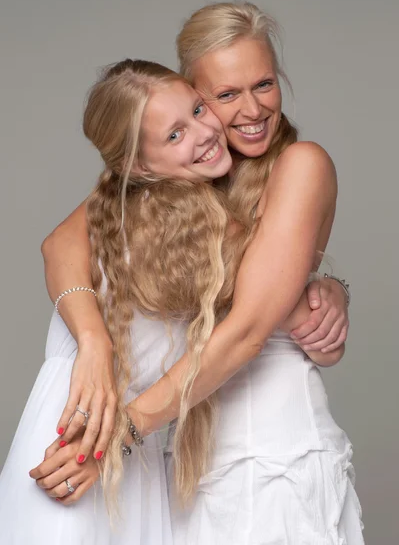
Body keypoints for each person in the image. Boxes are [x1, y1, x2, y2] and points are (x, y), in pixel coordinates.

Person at [32, 2, 362, 544]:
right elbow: (62, 243)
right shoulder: (178, 171)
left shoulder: (300, 164)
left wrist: (117, 436)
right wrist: (93, 342)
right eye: (226, 95)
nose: (253, 109)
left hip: (272, 455)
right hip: (186, 462)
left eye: (264, 84)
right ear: (194, 96)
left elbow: (249, 329)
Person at [0, 58, 243, 544]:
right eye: (174, 135)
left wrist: (327, 286)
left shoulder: (136, 198)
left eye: (198, 109)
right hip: (84, 424)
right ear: (138, 166)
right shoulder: (163, 212)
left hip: (132, 432)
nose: (203, 132)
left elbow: (56, 244)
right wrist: (95, 344)